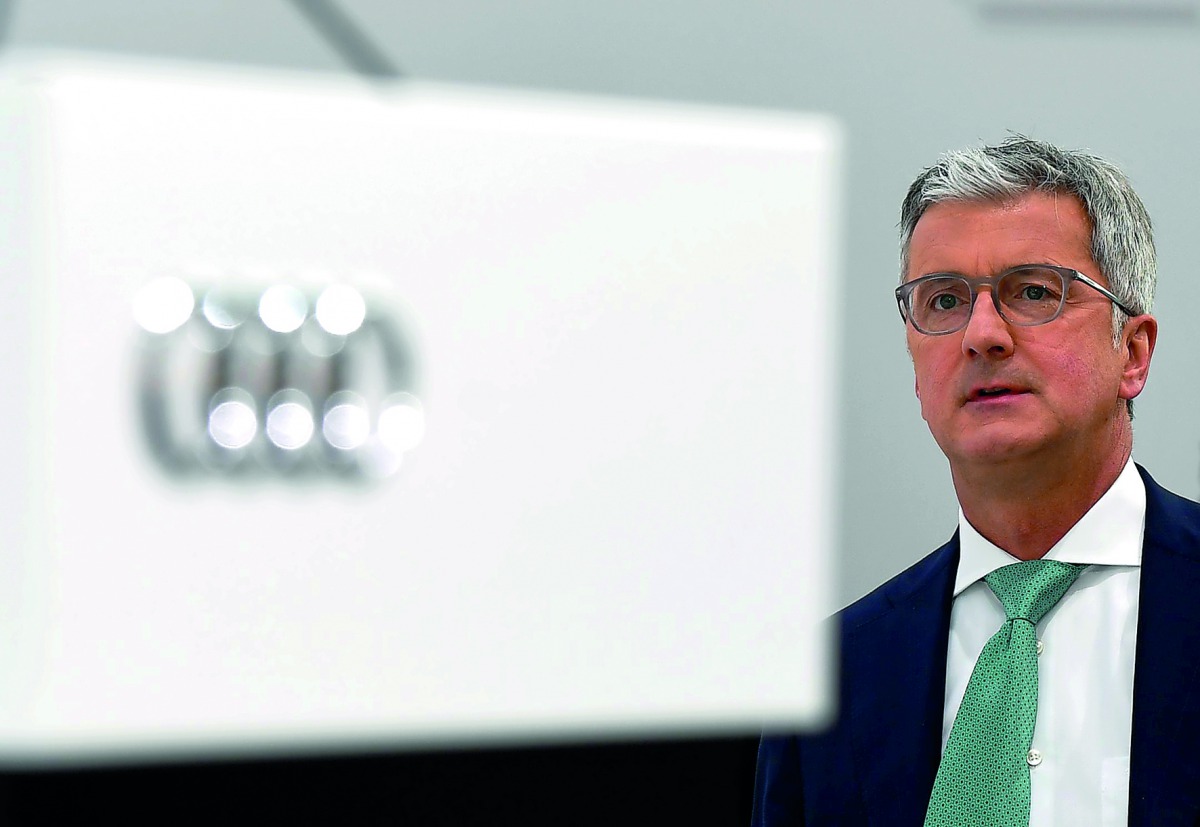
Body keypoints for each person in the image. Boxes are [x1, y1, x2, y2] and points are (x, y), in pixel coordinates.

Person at [752, 137, 1200, 826]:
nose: (981, 334)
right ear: (914, 363)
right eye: (943, 301)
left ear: (1132, 352)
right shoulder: (834, 674)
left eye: (1032, 291)